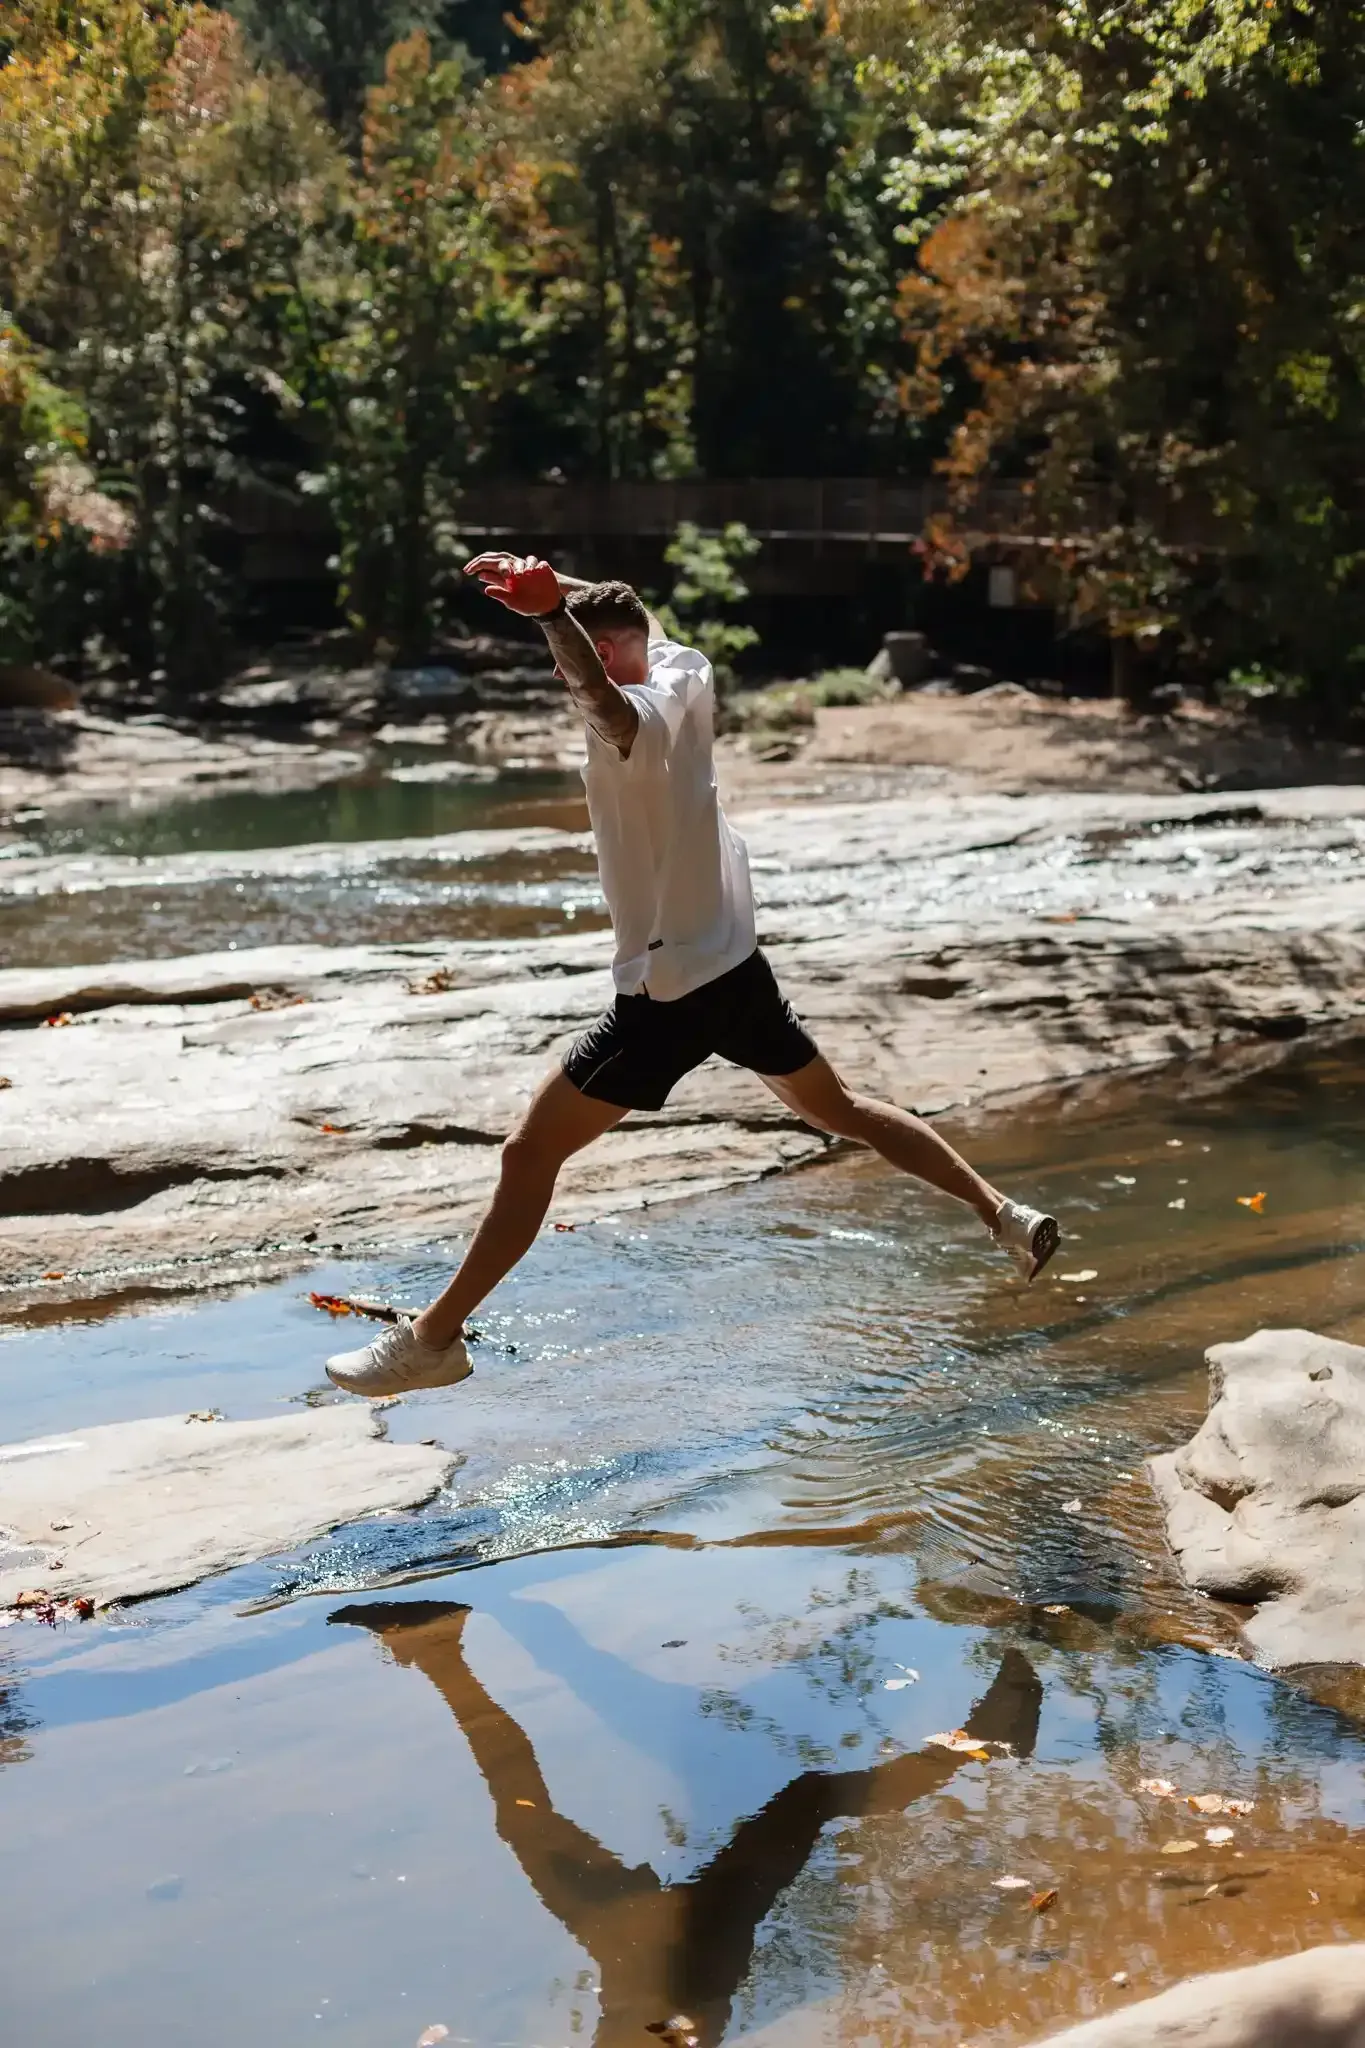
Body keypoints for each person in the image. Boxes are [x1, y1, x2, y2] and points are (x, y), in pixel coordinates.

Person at [326, 554, 1059, 1396]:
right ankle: (1001, 1213)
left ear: (595, 655)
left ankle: (433, 1340)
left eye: (566, 654)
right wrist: (557, 588)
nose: (560, 672)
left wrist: (547, 619)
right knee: (839, 1109)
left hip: (669, 993)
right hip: (735, 964)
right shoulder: (682, 667)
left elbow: (601, 697)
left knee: (528, 1155)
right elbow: (627, 622)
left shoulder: (628, 718)